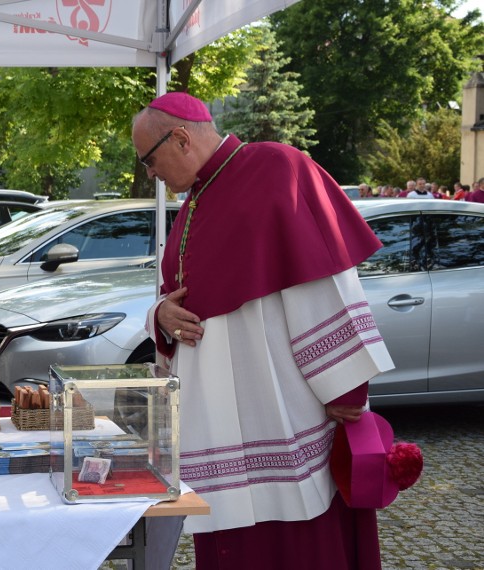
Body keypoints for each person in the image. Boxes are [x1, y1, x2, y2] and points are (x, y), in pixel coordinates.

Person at [132, 92, 395, 570]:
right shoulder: (194, 204)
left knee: (296, 546)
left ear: (182, 138)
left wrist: (349, 388)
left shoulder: (278, 168)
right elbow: (179, 299)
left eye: (149, 159)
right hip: (218, 430)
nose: (150, 173)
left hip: (282, 417)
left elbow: (326, 281)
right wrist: (160, 318)